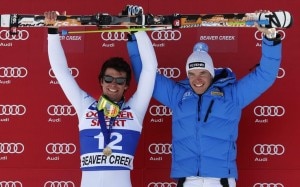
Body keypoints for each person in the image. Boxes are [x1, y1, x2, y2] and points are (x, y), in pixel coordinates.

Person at [127, 19, 282, 187]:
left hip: (220, 180)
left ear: (211, 73)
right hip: (187, 181)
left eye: (202, 72)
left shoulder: (232, 96)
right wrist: (134, 36)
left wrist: (270, 38)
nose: (197, 79)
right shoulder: (178, 96)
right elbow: (146, 75)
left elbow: (265, 75)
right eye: (191, 74)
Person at [45, 11, 158, 187]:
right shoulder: (85, 106)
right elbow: (61, 72)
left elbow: (150, 69)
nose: (114, 84)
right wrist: (52, 33)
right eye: (108, 79)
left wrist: (137, 29)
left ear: (127, 85)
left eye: (120, 80)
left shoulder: (134, 110)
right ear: (101, 81)